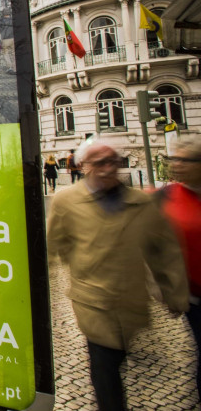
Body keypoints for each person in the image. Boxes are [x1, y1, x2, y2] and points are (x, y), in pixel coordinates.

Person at [47, 140, 188, 411]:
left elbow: (163, 250)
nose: (108, 169)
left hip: (131, 298)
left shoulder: (141, 202)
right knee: (104, 366)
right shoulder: (66, 200)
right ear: (84, 166)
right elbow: (53, 245)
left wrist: (174, 292)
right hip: (91, 300)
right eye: (100, 163)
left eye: (114, 162)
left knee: (119, 355)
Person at [156, 139, 201, 400]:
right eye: (175, 159)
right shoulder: (166, 195)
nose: (177, 165)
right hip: (194, 296)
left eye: (185, 160)